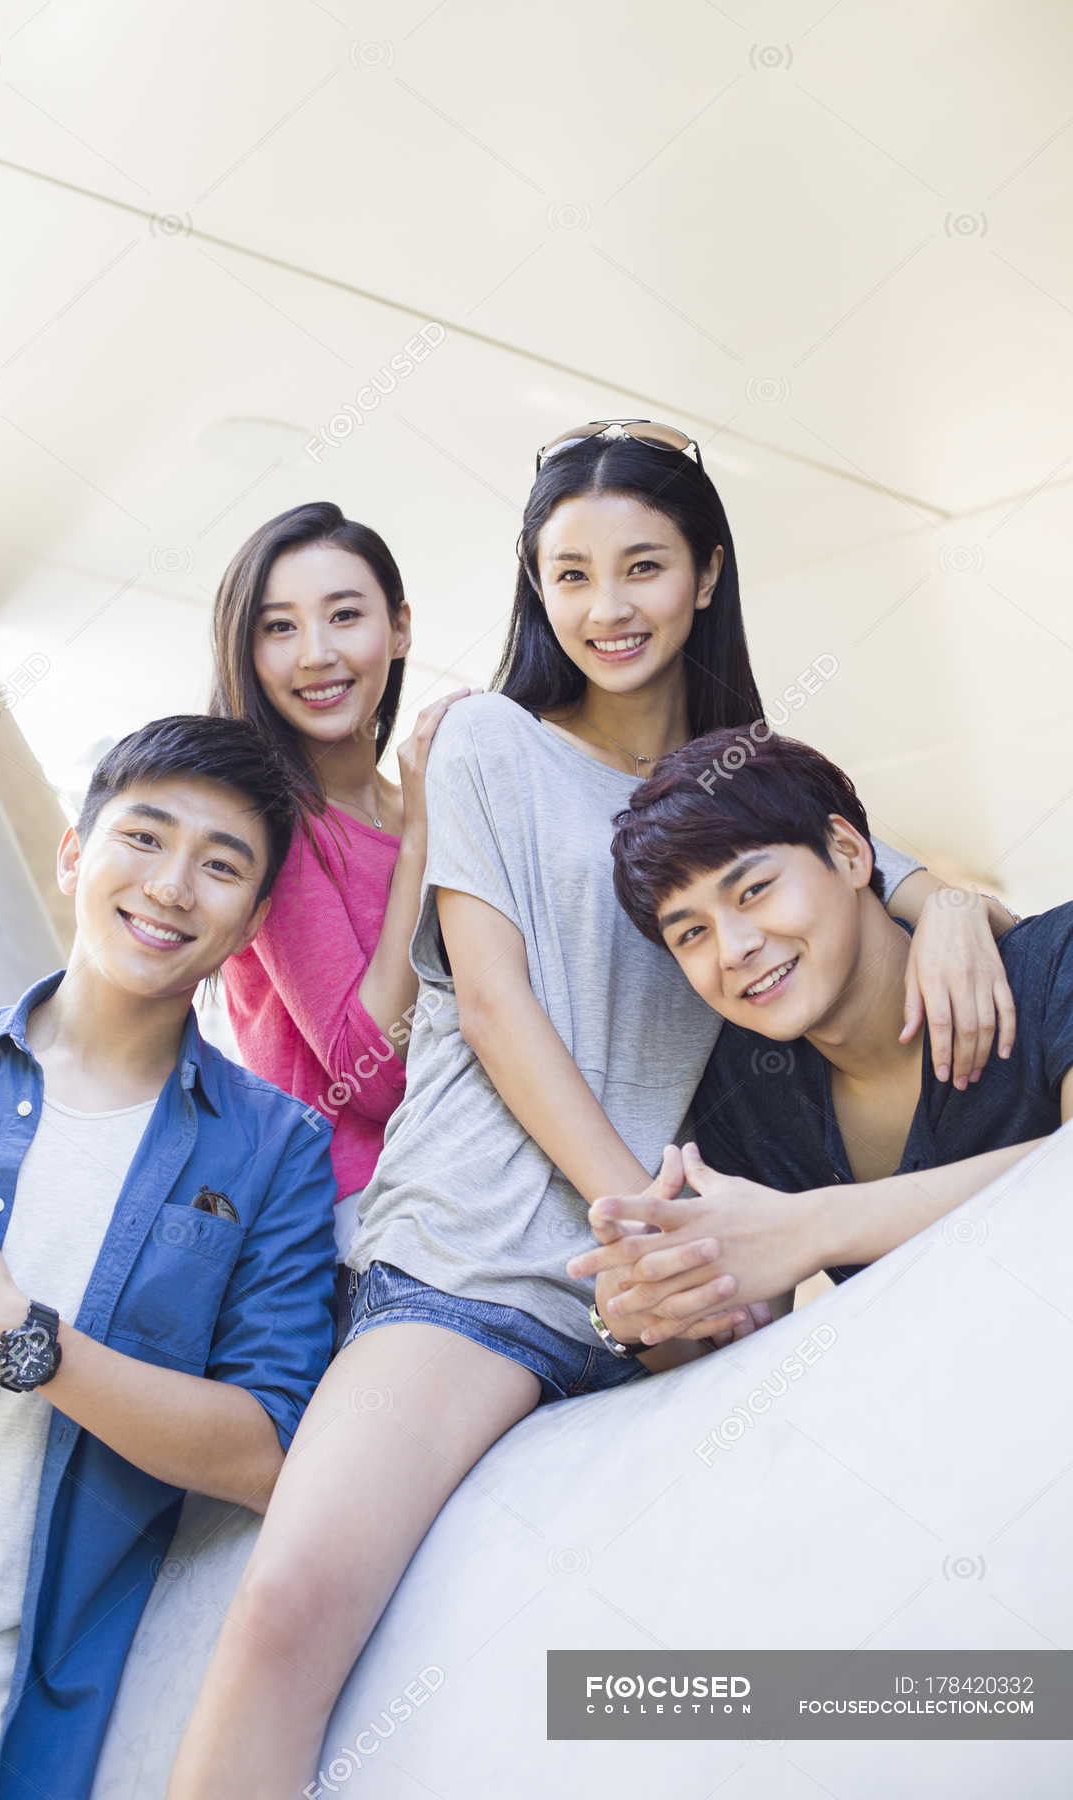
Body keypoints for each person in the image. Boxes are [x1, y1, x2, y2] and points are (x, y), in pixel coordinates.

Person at [168, 419, 1013, 1800]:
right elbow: (494, 1008)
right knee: (287, 1609)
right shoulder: (490, 742)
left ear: (706, 577)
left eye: (643, 568)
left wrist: (956, 901)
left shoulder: (738, 778)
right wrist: (647, 1226)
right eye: (570, 576)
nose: (608, 608)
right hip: (477, 1265)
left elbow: (879, 869)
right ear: (534, 591)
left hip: (669, 1295)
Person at [0, 716, 338, 1800]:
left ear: (253, 919)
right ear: (75, 853)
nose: (173, 886)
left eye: (221, 866)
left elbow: (266, 1452)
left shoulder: (274, 1153)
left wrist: (22, 1340)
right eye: (145, 838)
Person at [568, 726, 1069, 1348]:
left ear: (850, 853)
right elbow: (733, 1335)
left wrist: (811, 1226)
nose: (734, 949)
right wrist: (639, 1312)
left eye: (754, 890)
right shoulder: (749, 1089)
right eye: (691, 934)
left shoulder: (1053, 963)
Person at [210, 502, 476, 1317]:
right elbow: (374, 1074)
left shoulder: (423, 808)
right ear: (247, 652)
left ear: (398, 628)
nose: (316, 655)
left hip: (475, 1174)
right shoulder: (272, 826)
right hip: (363, 1228)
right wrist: (427, 835)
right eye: (279, 628)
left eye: (345, 616)